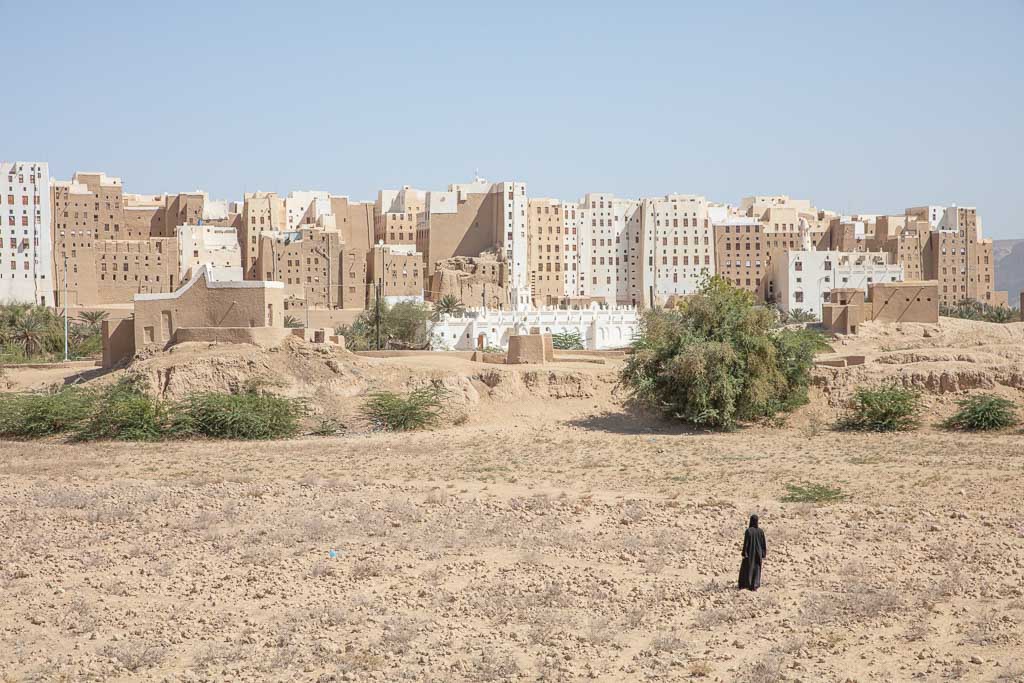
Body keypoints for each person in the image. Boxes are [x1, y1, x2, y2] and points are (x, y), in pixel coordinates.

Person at [738, 514, 767, 590]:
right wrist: (763, 553)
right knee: (757, 568)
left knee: (748, 568)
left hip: (750, 553)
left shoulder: (748, 531)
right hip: (758, 553)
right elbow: (763, 543)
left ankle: (747, 584)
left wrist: (744, 553)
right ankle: (755, 585)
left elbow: (746, 543)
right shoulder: (760, 531)